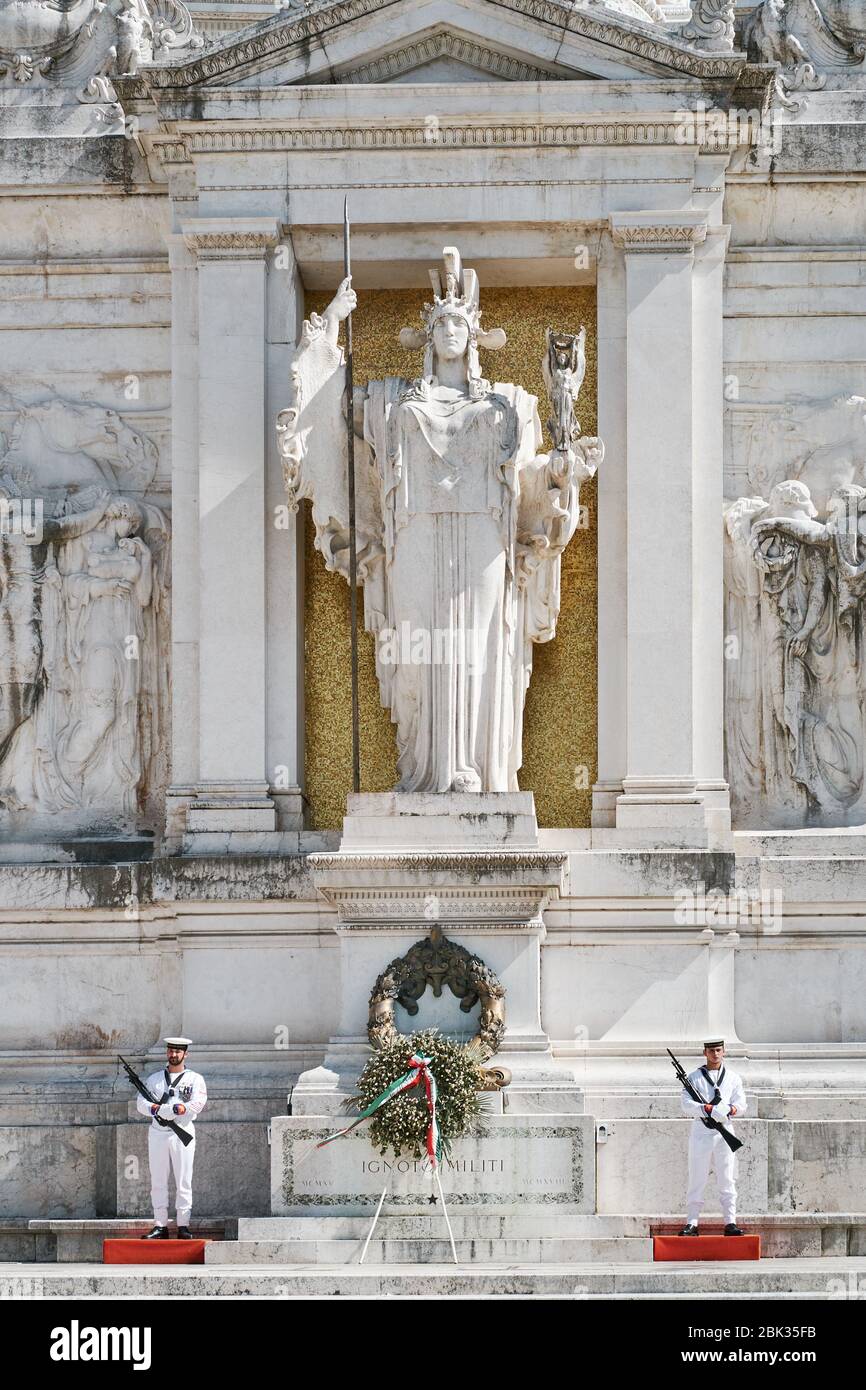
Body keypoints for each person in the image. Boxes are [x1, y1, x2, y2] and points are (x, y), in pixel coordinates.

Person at [137, 1037, 207, 1239]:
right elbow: (141, 1104)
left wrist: (182, 1108)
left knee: (183, 1180)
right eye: (170, 1051)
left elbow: (199, 1102)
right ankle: (160, 1225)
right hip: (158, 1133)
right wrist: (155, 1108)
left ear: (186, 1054)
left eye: (178, 1052)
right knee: (158, 1180)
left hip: (181, 1133)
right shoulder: (155, 1079)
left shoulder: (195, 1079)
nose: (173, 1055)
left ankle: (183, 1225)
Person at [679, 1038, 746, 1237]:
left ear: (724, 1051)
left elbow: (741, 1104)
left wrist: (729, 1109)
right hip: (701, 1132)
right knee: (696, 1177)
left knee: (727, 1179)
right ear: (705, 1053)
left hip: (724, 1131)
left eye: (718, 1050)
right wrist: (706, 1108)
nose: (715, 1054)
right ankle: (692, 1222)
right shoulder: (694, 1078)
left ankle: (730, 1222)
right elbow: (686, 1104)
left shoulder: (733, 1078)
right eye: (711, 1051)